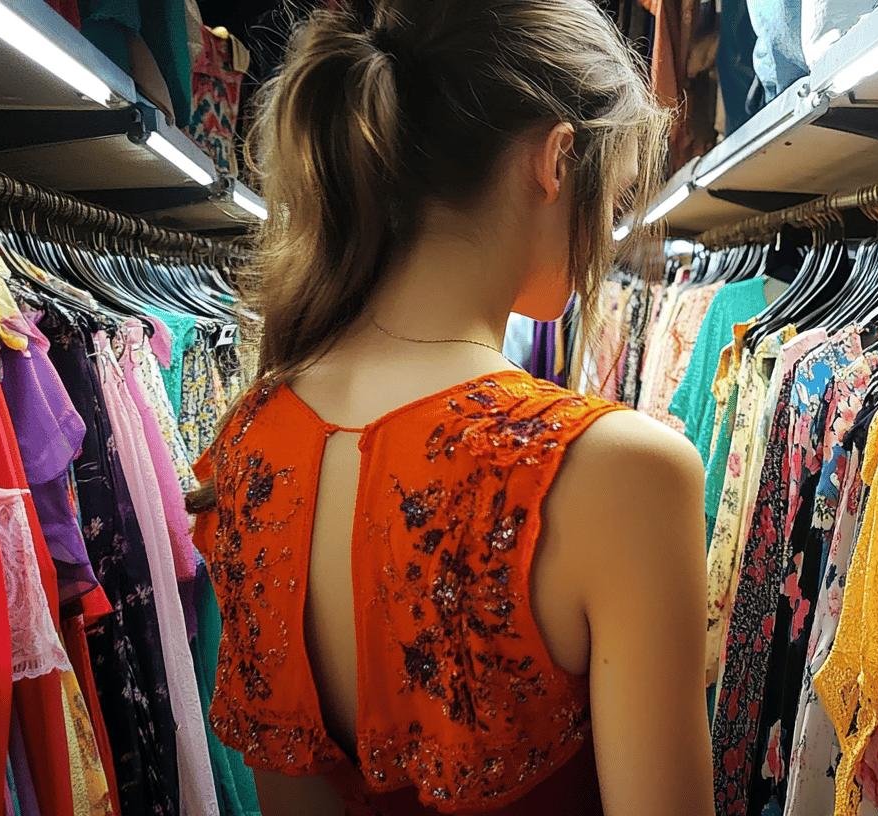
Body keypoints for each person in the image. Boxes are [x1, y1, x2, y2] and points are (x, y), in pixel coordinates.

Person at [189, 2, 714, 814]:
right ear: (556, 160)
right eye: (612, 200)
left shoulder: (249, 443)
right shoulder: (623, 472)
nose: (604, 237)